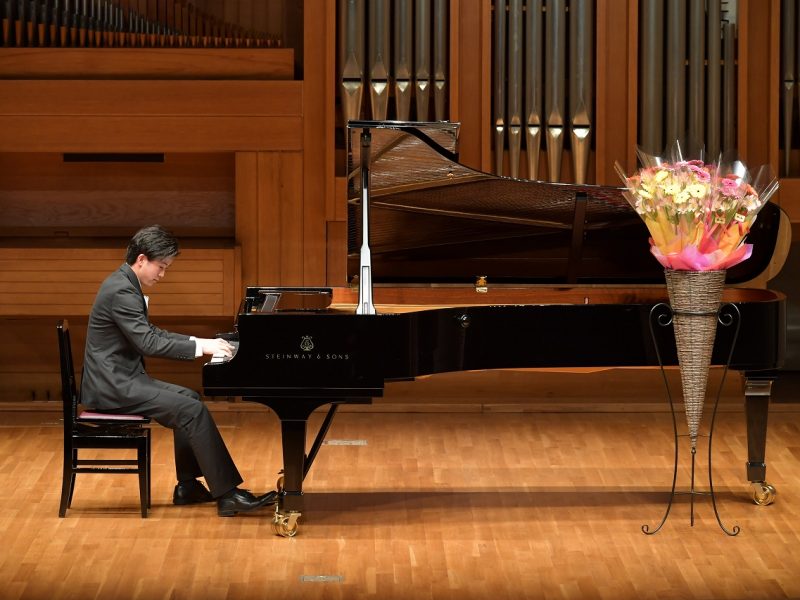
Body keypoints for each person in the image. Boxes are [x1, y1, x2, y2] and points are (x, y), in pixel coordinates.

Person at [80, 225, 276, 517]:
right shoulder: (122, 290)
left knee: (190, 399)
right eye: (161, 267)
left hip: (122, 379)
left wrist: (201, 342)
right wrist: (203, 348)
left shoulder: (124, 283)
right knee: (191, 410)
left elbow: (150, 333)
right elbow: (148, 342)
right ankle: (227, 494)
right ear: (142, 259)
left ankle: (188, 486)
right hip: (114, 386)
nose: (162, 274)